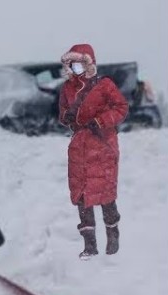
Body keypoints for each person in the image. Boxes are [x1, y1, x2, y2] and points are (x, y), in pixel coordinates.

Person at [57, 43, 130, 259]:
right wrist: (66, 118)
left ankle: (112, 234)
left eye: (79, 62)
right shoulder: (67, 88)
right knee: (81, 194)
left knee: (104, 191)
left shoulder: (104, 84)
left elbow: (121, 108)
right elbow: (62, 112)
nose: (75, 67)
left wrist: (101, 121)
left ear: (89, 62)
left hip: (102, 143)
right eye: (72, 63)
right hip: (79, 146)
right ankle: (90, 245)